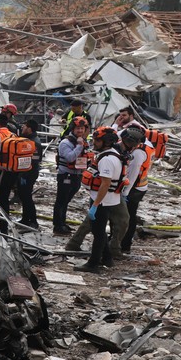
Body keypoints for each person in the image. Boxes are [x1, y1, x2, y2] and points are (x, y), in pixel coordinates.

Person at [76, 126, 127, 271]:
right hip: (107, 199)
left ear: (106, 141)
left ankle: (93, 263)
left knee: (98, 233)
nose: (94, 142)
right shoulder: (111, 154)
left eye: (97, 140)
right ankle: (107, 258)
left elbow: (105, 183)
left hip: (103, 201)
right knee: (98, 229)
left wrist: (95, 205)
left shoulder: (107, 160)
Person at [52, 116, 90, 236]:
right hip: (65, 175)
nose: (80, 131)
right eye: (78, 128)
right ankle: (58, 226)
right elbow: (70, 157)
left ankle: (62, 223)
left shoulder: (84, 142)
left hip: (77, 175)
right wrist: (79, 146)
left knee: (66, 201)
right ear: (73, 129)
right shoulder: (65, 143)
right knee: (61, 201)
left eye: (82, 128)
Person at [119, 128, 150, 254]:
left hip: (134, 189)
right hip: (140, 187)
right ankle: (124, 243)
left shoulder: (138, 153)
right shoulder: (147, 147)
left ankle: (124, 244)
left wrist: (124, 192)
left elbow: (133, 173)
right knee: (130, 217)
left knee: (127, 218)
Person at [15, 119, 44, 230]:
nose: (22, 128)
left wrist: (24, 174)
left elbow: (35, 160)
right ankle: (25, 219)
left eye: (24, 126)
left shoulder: (34, 142)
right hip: (24, 172)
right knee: (23, 196)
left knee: (27, 197)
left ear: (29, 129)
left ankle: (33, 221)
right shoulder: (27, 139)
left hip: (29, 173)